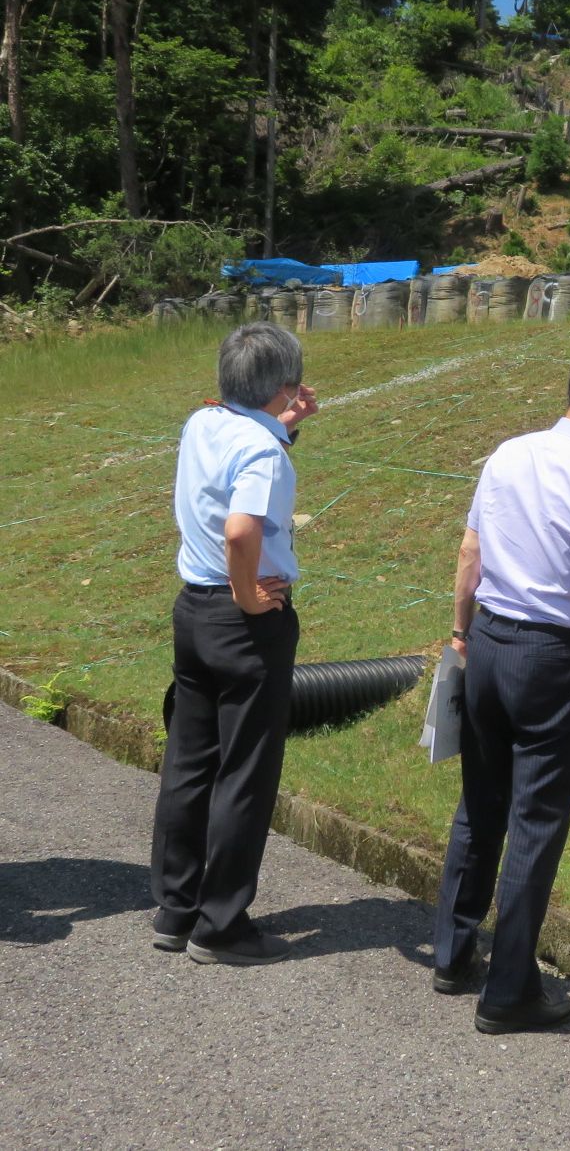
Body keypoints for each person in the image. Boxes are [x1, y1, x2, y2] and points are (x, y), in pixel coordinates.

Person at [432, 341, 570, 1034]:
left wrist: (463, 632)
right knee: (536, 818)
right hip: (551, 656)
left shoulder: (509, 453)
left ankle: (451, 948)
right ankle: (510, 988)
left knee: (480, 801)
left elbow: (470, 551)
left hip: (491, 640)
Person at [150, 322, 318, 965]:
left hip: (193, 611)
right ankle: (221, 926)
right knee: (245, 771)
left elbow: (232, 470)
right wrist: (250, 595)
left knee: (190, 761)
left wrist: (285, 421)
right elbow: (243, 528)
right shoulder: (263, 452)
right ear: (282, 386)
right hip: (242, 619)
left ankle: (176, 906)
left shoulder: (205, 422)